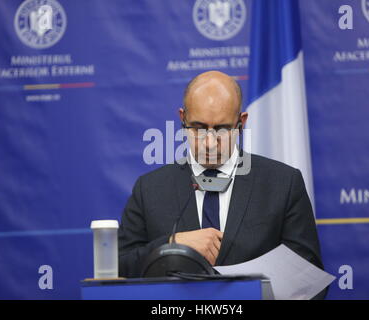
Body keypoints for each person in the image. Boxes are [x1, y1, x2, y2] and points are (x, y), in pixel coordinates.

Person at [118, 70, 326, 298]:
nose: (209, 143)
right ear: (182, 118)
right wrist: (171, 244)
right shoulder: (149, 189)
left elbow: (310, 280)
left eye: (222, 129)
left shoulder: (283, 184)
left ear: (241, 122)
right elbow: (119, 267)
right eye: (198, 128)